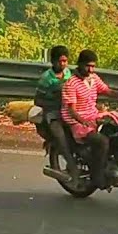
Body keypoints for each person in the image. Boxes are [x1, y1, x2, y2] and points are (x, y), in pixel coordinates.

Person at [61, 49, 113, 189]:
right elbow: (71, 110)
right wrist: (83, 121)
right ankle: (97, 176)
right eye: (87, 66)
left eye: (93, 66)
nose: (90, 69)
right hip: (77, 122)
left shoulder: (94, 78)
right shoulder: (71, 83)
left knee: (116, 129)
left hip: (93, 116)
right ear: (80, 64)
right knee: (102, 141)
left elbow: (108, 91)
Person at [34, 45, 77, 176]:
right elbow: (38, 101)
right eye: (60, 61)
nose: (63, 64)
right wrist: (55, 99)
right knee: (60, 136)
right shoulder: (46, 78)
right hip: (52, 113)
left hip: (68, 110)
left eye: (65, 61)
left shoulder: (68, 73)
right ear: (53, 61)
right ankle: (71, 165)